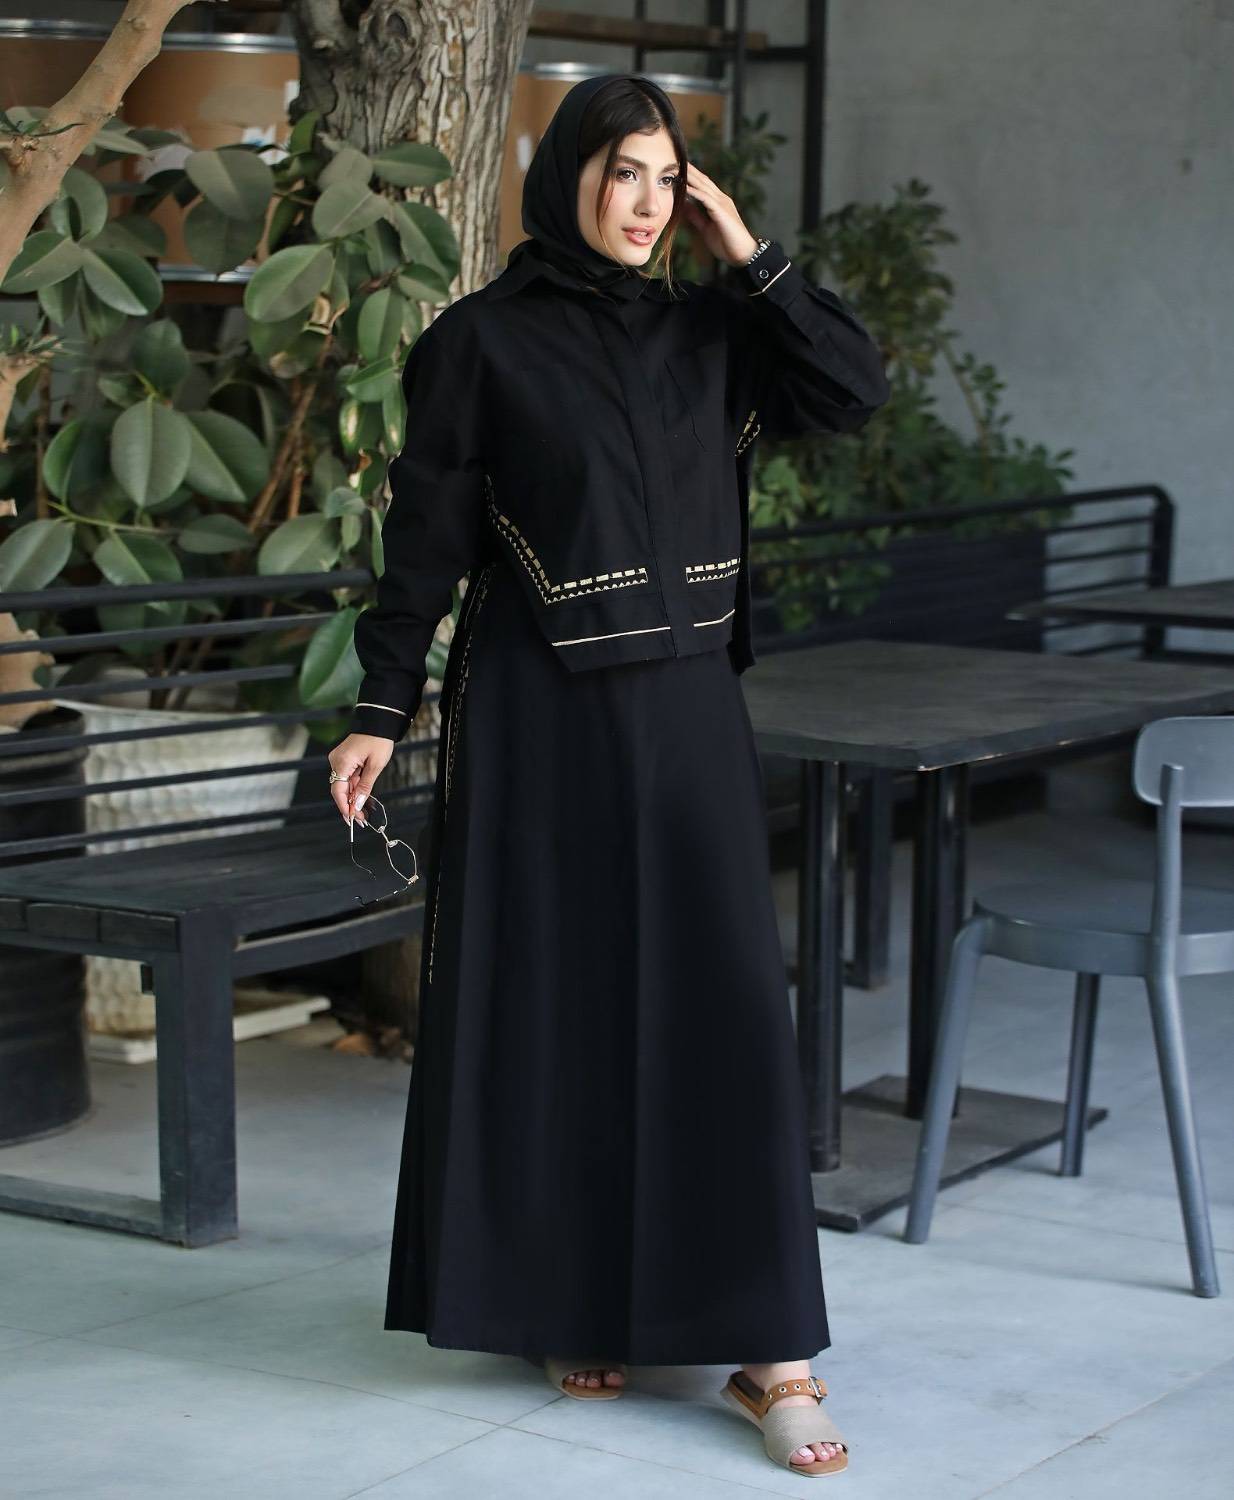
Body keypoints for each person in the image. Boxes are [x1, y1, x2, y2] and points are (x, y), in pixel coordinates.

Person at [327, 72, 889, 1479]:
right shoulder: (481, 342)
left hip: (689, 710)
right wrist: (380, 707)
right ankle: (566, 1303)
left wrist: (746, 249)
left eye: (664, 176)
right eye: (620, 172)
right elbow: (424, 542)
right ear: (565, 175)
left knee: (723, 1012)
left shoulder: (720, 332)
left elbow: (852, 387)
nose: (643, 203)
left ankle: (775, 1356)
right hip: (539, 714)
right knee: (560, 1006)